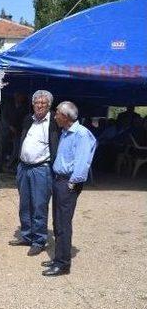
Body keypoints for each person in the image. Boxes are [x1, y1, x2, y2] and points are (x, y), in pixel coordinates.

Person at [42, 101, 97, 276]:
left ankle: (63, 264)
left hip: (68, 183)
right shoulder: (66, 132)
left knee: (63, 223)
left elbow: (83, 163)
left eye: (57, 112)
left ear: (65, 116)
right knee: (57, 221)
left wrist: (71, 184)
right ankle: (59, 256)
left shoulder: (81, 134)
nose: (54, 115)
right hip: (59, 180)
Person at [8, 90, 60, 256]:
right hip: (24, 167)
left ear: (49, 106)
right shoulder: (28, 120)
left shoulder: (54, 121)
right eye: (37, 103)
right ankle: (26, 235)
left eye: (43, 103)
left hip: (41, 169)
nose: (39, 106)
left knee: (39, 205)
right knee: (25, 204)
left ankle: (39, 240)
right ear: (32, 104)